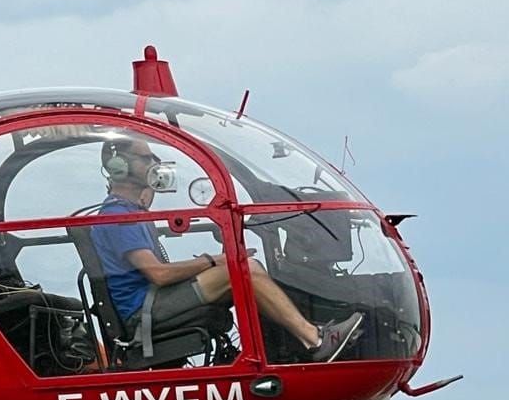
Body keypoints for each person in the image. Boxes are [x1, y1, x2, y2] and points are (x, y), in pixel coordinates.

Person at [89, 136, 363, 362]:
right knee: (242, 270)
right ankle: (315, 341)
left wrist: (214, 262)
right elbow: (159, 275)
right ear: (118, 167)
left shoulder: (130, 212)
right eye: (146, 158)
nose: (155, 164)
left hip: (154, 301)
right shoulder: (117, 216)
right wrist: (213, 261)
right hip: (144, 311)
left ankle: (285, 348)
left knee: (239, 266)